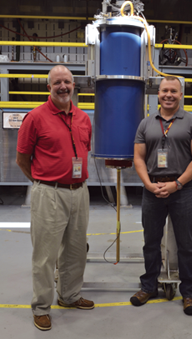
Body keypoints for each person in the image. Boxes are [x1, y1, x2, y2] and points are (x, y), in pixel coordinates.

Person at [16, 65, 94, 331]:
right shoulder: (35, 118)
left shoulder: (83, 118)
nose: (63, 86)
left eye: (67, 82)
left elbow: (84, 151)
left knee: (75, 251)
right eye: (57, 82)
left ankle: (69, 296)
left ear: (74, 86)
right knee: (45, 255)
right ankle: (41, 306)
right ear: (48, 87)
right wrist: (42, 183)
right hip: (48, 193)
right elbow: (22, 159)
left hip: (80, 192)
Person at [130, 76, 192, 315]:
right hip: (152, 191)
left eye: (174, 91)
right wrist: (149, 184)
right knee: (150, 242)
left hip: (182, 191)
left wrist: (177, 183)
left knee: (186, 243)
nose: (169, 95)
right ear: (158, 93)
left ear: (181, 94)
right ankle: (148, 286)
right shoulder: (146, 124)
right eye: (165, 90)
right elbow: (139, 158)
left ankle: (189, 294)